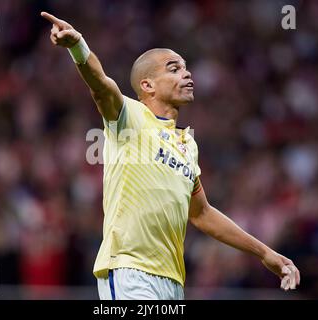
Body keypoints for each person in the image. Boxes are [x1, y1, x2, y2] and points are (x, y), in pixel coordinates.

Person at [40, 11, 300, 300]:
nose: (186, 74)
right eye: (174, 69)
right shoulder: (129, 116)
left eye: (186, 68)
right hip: (129, 271)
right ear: (147, 85)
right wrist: (78, 46)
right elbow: (100, 84)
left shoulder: (188, 145)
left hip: (172, 282)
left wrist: (265, 253)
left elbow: (202, 213)